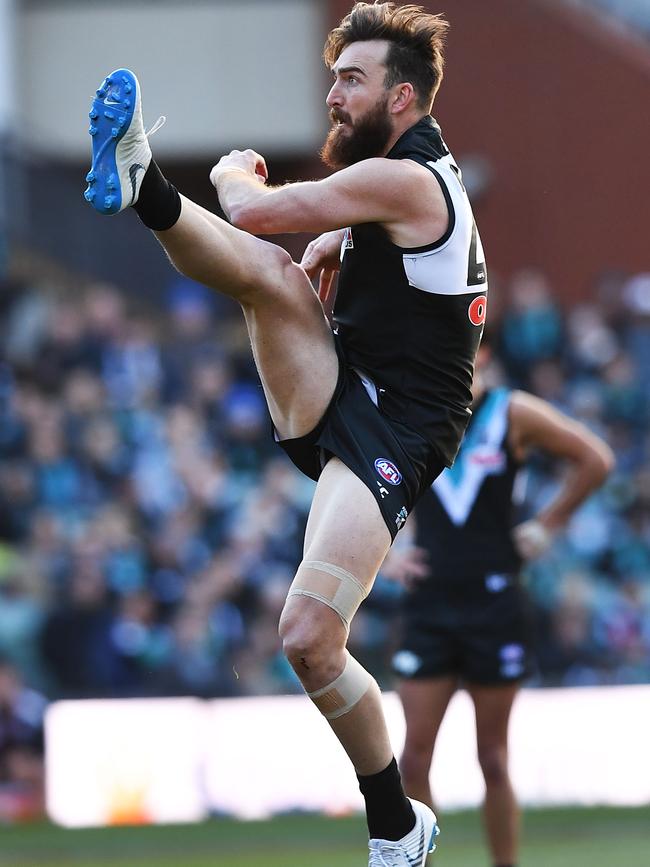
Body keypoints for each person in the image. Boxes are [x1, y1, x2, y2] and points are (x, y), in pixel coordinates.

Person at [83, 3, 488, 863]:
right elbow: (329, 241)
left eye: (353, 80)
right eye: (335, 77)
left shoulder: (411, 181)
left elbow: (263, 211)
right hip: (347, 387)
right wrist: (344, 235)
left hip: (398, 434)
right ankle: (142, 177)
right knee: (268, 280)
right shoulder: (404, 179)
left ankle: (397, 824)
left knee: (308, 638)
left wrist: (235, 172)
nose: (334, 96)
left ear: (404, 96)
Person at [388, 342, 614, 867]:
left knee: (492, 757)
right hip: (430, 602)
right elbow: (370, 480)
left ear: (480, 360)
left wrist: (547, 526)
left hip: (495, 602)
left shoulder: (511, 412)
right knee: (413, 759)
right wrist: (389, 551)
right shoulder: (417, 414)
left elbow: (594, 459)